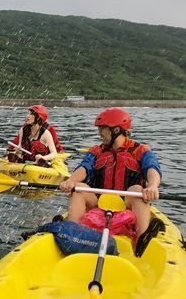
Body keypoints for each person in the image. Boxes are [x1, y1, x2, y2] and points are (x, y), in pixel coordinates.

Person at [60, 107, 163, 256]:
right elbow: (84, 168)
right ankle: (72, 235)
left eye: (103, 128)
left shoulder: (140, 150)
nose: (100, 133)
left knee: (137, 190)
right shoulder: (97, 151)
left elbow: (152, 168)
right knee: (78, 188)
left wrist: (152, 185)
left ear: (116, 130)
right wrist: (71, 180)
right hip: (99, 203)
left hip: (127, 205)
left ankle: (142, 242)